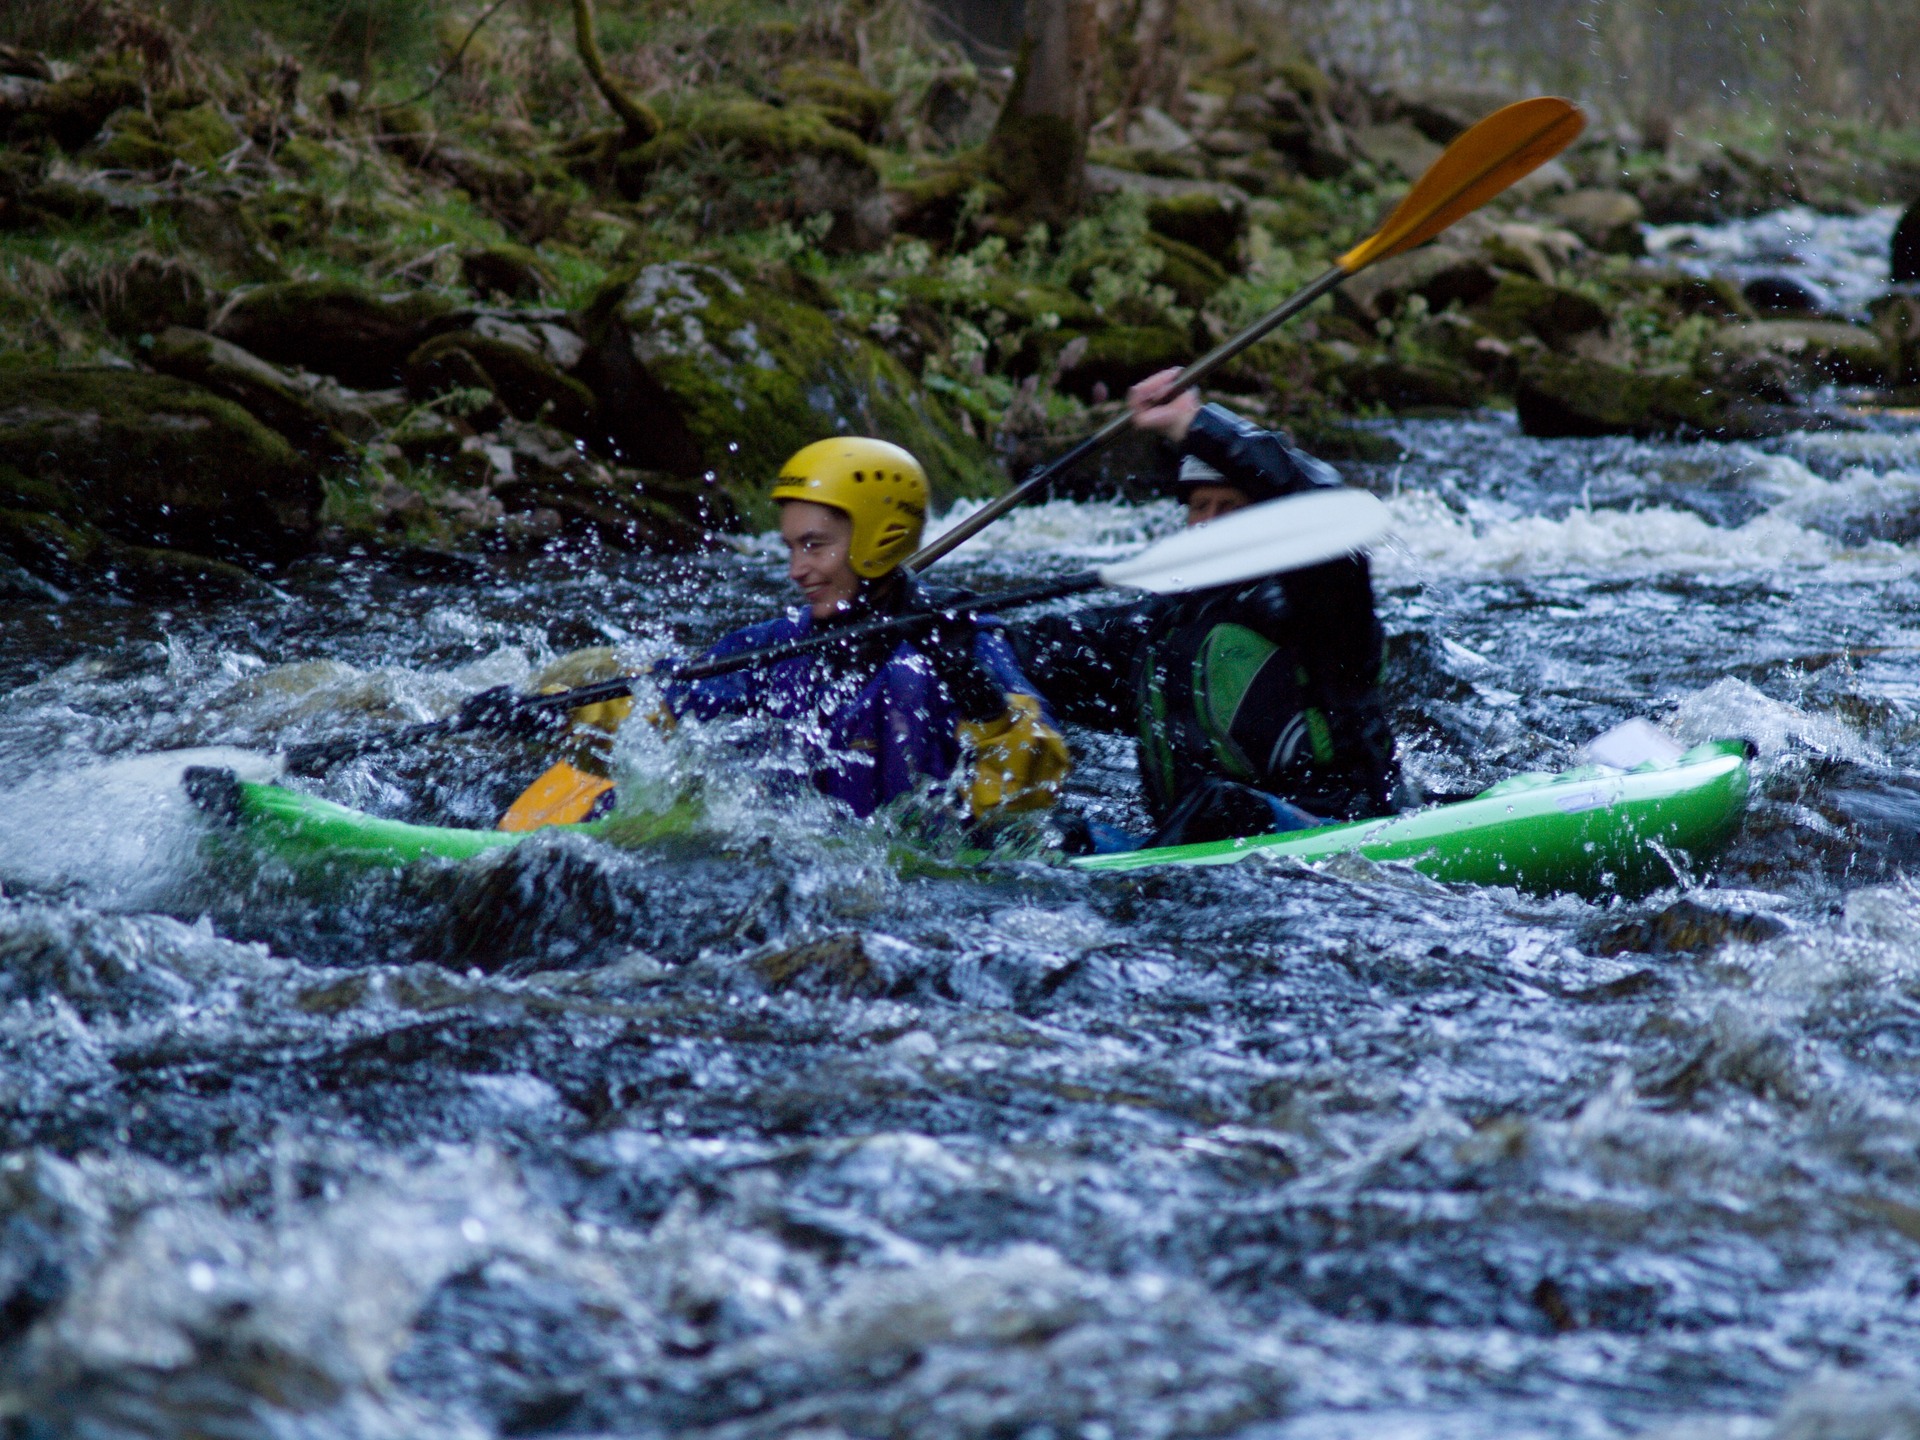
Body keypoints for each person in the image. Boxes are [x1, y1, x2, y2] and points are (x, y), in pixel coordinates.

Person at [489, 437, 1071, 832]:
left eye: (814, 546)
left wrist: (975, 691)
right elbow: (659, 707)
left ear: (878, 538)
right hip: (812, 847)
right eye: (791, 547)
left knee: (907, 680)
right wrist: (550, 711)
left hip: (934, 851)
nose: (796, 570)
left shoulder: (965, 639)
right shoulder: (777, 643)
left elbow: (1036, 786)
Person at [1010, 369, 1397, 850]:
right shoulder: (1163, 627)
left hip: (1336, 830)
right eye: (1200, 506)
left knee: (1221, 808)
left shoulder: (1325, 608)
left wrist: (1196, 424)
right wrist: (956, 628)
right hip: (1187, 848)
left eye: (1228, 505)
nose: (1209, 523)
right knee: (1041, 838)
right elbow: (1045, 652)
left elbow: (1326, 507)